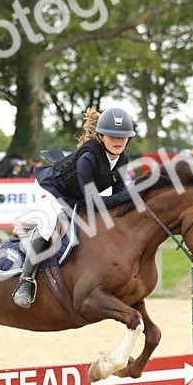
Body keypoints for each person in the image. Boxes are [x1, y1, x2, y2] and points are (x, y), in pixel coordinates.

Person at [10, 106, 135, 308]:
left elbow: (117, 194)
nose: (119, 141)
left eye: (123, 137)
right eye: (113, 136)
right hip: (51, 189)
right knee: (49, 223)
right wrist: (128, 196)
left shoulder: (122, 159)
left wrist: (129, 199)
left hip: (76, 196)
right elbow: (94, 202)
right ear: (101, 136)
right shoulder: (89, 157)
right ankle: (25, 281)